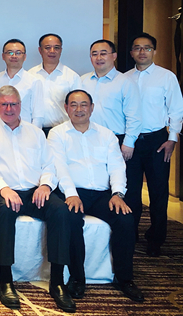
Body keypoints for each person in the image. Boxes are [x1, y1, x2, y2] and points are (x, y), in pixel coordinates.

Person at [0, 85, 74, 312]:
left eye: (13, 104)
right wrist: (4, 189)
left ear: (20, 106)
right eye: (4, 104)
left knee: (60, 210)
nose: (9, 109)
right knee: (4, 211)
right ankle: (5, 280)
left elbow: (49, 164)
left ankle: (57, 282)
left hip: (34, 190)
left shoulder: (35, 132)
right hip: (1, 190)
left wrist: (46, 185)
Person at [49, 89, 144, 302]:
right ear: (66, 108)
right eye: (74, 105)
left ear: (92, 108)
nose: (79, 109)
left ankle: (125, 279)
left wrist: (117, 193)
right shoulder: (57, 134)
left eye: (84, 104)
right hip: (73, 192)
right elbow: (59, 167)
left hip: (103, 194)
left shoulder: (106, 134)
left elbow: (117, 166)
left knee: (125, 219)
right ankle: (77, 278)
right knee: (71, 219)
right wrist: (71, 194)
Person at [126, 33, 183, 256]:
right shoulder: (124, 78)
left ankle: (156, 239)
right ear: (131, 52)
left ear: (154, 51)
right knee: (131, 192)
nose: (142, 52)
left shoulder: (166, 77)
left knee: (158, 192)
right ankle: (130, 234)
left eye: (147, 48)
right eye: (137, 48)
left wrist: (172, 139)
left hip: (157, 140)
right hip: (130, 141)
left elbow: (176, 109)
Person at [80, 40, 141, 164]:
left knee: (118, 175)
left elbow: (134, 116)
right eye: (94, 54)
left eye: (103, 53)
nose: (99, 58)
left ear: (114, 56)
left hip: (116, 139)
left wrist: (128, 143)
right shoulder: (82, 81)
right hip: (87, 138)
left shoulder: (126, 82)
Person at [28, 33, 81, 136]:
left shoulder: (72, 77)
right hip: (35, 131)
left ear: (61, 50)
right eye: (47, 47)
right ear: (40, 50)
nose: (52, 51)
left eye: (56, 47)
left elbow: (78, 107)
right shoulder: (30, 75)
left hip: (63, 131)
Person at [0, 39, 44, 128]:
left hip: (24, 131)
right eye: (10, 53)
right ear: (3, 56)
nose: (14, 56)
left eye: (18, 53)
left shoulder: (34, 81)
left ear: (24, 56)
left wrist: (33, 134)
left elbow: (38, 116)